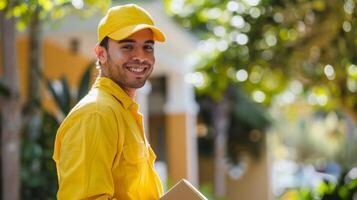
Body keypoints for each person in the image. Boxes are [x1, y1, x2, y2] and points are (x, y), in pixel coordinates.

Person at [53, 4, 166, 199]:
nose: (141, 56)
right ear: (101, 54)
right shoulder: (95, 114)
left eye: (147, 47)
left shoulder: (123, 112)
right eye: (127, 46)